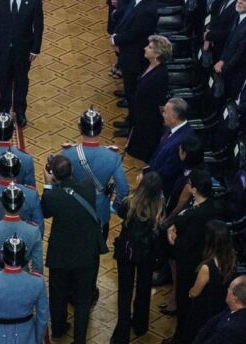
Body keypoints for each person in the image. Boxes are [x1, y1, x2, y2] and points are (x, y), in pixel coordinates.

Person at [41, 154, 101, 342]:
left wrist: (48, 184)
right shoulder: (88, 187)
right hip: (85, 253)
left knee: (57, 294)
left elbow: (45, 212)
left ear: (53, 174)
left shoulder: (52, 195)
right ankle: (80, 338)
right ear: (72, 170)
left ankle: (58, 329)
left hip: (61, 254)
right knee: (83, 299)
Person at [167, 169, 220, 344]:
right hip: (184, 256)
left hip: (188, 264)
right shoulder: (196, 202)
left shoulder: (201, 215)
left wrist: (174, 237)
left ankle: (180, 338)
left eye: (190, 184)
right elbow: (181, 217)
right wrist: (173, 227)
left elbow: (188, 243)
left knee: (185, 304)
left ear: (195, 189)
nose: (188, 186)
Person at [112, 171, 164, 344]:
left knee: (125, 292)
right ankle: (141, 325)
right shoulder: (159, 207)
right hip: (148, 255)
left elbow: (119, 212)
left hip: (127, 252)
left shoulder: (130, 203)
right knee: (144, 288)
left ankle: (122, 333)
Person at [60, 108, 129, 236]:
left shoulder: (68, 153)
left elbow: (59, 183)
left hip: (74, 209)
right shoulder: (112, 156)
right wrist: (114, 207)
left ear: (80, 128)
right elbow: (123, 190)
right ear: (101, 128)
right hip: (100, 212)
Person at [0, 235, 49, 343]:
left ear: (2, 255)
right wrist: (38, 338)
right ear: (24, 256)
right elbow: (43, 317)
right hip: (26, 337)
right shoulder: (37, 282)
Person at [111, 0, 159, 110]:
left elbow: (135, 33)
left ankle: (131, 117)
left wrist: (116, 39)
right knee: (128, 82)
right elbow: (126, 18)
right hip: (126, 49)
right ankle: (127, 94)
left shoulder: (148, 10)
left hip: (135, 54)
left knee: (133, 88)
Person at [0, 183, 43, 278]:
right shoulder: (34, 230)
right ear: (22, 205)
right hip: (25, 276)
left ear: (2, 204)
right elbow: (37, 265)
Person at [183, 219, 235, 342]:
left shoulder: (207, 268)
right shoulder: (232, 257)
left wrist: (189, 292)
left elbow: (194, 292)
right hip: (219, 306)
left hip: (203, 309)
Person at [123, 34, 171, 159]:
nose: (145, 48)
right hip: (140, 113)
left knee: (143, 151)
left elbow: (160, 102)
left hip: (148, 119)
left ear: (157, 54)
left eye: (149, 47)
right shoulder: (149, 64)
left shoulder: (160, 75)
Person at [190, 276, 246, 344]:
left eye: (230, 288)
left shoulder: (230, 329)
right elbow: (211, 323)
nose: (227, 289)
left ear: (235, 297)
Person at [147, 98, 196, 195]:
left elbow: (168, 172)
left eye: (165, 112)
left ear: (174, 117)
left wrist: (147, 181)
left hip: (158, 188)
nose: (163, 114)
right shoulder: (174, 128)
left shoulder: (180, 142)